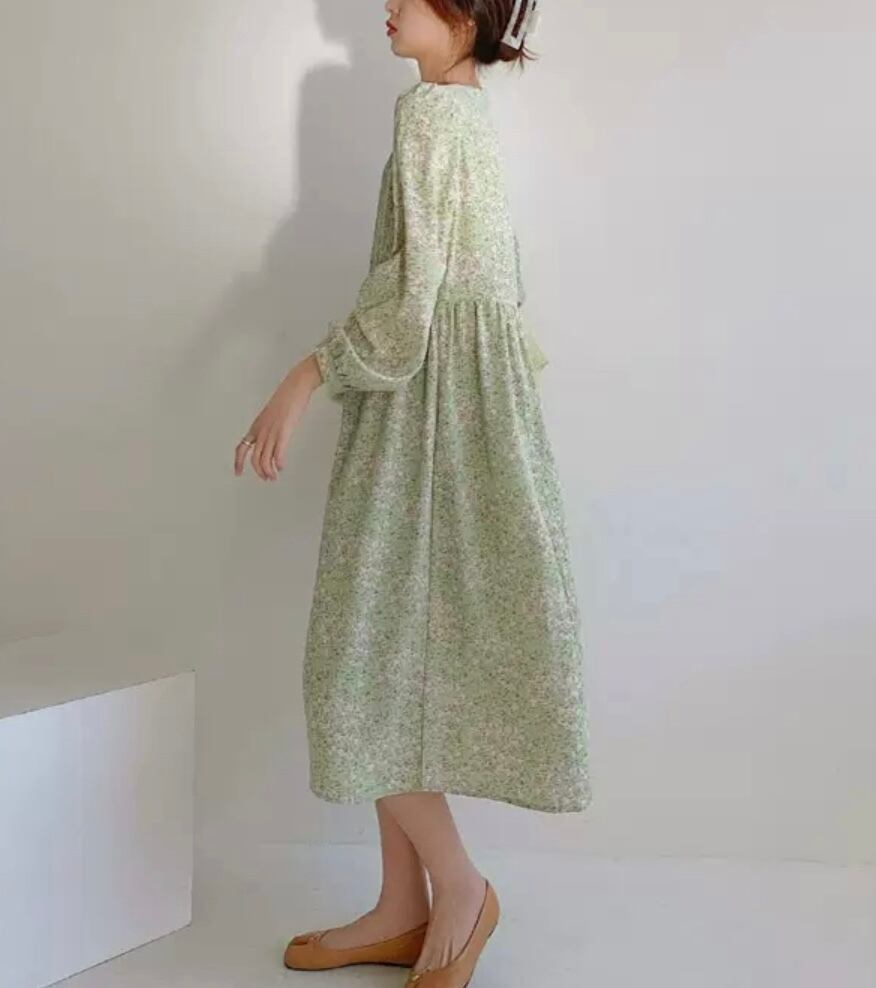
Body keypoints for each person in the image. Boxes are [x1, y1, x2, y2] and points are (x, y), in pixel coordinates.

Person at [233, 1, 588, 985]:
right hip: (460, 409)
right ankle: (401, 906)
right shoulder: (463, 113)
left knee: (364, 665)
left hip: (427, 411)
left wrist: (306, 374)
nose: (384, 7)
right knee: (385, 663)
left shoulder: (430, 114)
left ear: (465, 14)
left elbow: (414, 293)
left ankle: (458, 887)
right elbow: (474, 288)